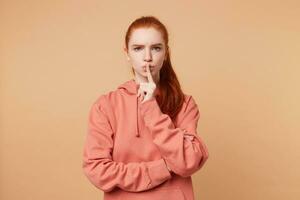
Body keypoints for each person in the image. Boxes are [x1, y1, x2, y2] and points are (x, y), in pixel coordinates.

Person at [82, 15, 209, 200]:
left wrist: (152, 109)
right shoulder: (106, 105)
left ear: (166, 53)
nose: (147, 57)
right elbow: (96, 169)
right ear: (127, 53)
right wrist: (161, 169)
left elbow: (188, 162)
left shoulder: (184, 104)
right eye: (138, 48)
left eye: (156, 48)